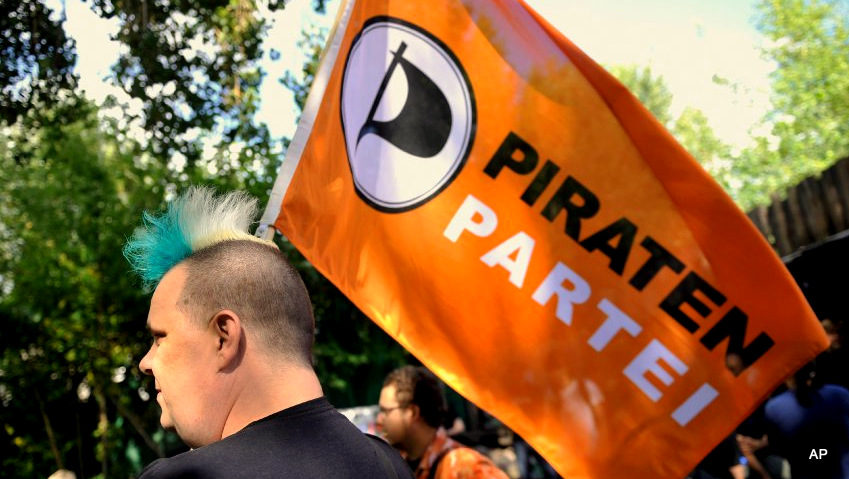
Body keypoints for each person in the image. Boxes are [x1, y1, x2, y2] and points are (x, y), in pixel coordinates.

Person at [124, 187, 412, 478]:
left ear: (223, 338)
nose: (145, 363)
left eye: (160, 338)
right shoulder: (391, 465)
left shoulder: (184, 476)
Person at [377, 365, 509, 479]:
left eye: (385, 411)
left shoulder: (463, 466)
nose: (379, 419)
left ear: (413, 413)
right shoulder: (398, 464)